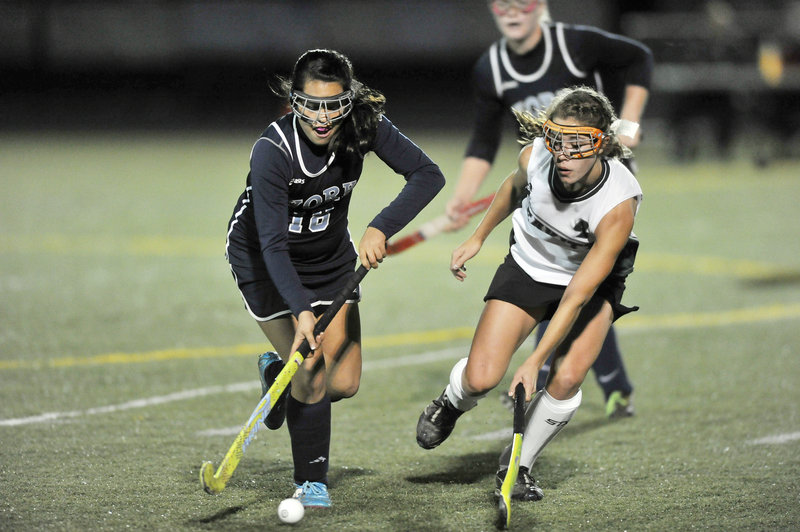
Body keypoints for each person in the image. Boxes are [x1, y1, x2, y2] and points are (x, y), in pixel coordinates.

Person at [225, 49, 445, 508]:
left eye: (333, 104)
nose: (322, 118)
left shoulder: (363, 126)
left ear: (348, 100)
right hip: (264, 260)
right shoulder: (273, 152)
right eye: (310, 104)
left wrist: (381, 226)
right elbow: (272, 245)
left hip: (329, 257)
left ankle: (276, 378)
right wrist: (301, 310)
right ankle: (310, 482)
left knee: (342, 383)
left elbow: (427, 174)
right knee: (310, 369)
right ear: (293, 100)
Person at [416, 86, 642, 502]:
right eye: (559, 141)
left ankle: (518, 465)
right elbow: (511, 188)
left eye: (581, 144)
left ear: (603, 143)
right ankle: (450, 402)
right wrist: (478, 237)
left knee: (568, 375)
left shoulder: (617, 204)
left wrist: (535, 362)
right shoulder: (535, 156)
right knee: (482, 378)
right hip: (529, 265)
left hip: (586, 284)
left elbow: (577, 294)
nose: (565, 155)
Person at [446, 0, 653, 418]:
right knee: (551, 271)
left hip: (597, 188)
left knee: (585, 286)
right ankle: (560, 375)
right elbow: (484, 142)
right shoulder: (492, 68)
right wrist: (464, 197)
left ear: (540, 5)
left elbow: (639, 58)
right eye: (502, 3)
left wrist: (628, 122)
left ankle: (603, 383)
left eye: (521, 1)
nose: (512, 10)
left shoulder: (573, 44)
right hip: (550, 183)